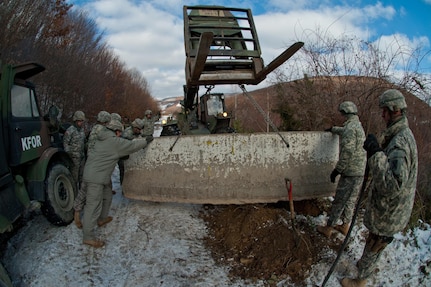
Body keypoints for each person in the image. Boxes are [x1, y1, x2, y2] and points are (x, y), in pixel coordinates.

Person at [341, 89, 418, 287]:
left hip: (390, 211)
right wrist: (378, 148)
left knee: (375, 242)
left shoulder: (400, 142)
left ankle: (360, 279)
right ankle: (366, 266)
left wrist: (375, 154)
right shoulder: (399, 134)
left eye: (384, 111)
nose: (382, 115)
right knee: (377, 242)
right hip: (391, 210)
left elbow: (392, 185)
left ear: (394, 110)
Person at [81, 119, 154, 248]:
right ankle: (88, 237)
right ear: (115, 131)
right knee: (92, 207)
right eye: (119, 132)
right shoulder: (113, 141)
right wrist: (145, 141)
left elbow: (109, 153)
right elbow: (131, 146)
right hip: (95, 178)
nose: (120, 134)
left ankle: (102, 218)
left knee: (108, 196)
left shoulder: (102, 138)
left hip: (99, 175)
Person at [317, 101, 366, 237]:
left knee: (339, 200)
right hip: (360, 171)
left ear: (345, 112)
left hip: (350, 171)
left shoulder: (350, 128)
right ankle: (345, 225)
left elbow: (347, 152)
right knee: (351, 199)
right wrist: (333, 129)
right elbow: (345, 131)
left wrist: (337, 170)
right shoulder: (357, 125)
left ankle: (329, 228)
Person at [73, 111, 111, 228]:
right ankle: (99, 219)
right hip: (98, 165)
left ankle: (77, 214)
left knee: (84, 188)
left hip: (89, 162)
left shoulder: (93, 129)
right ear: (105, 121)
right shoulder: (103, 131)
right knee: (104, 189)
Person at [63, 110, 86, 189]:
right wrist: (70, 154)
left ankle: (81, 195)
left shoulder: (82, 130)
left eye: (82, 121)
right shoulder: (70, 130)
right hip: (74, 158)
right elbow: (65, 144)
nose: (81, 123)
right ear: (75, 121)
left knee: (82, 178)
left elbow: (84, 142)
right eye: (79, 121)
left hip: (82, 157)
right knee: (74, 178)